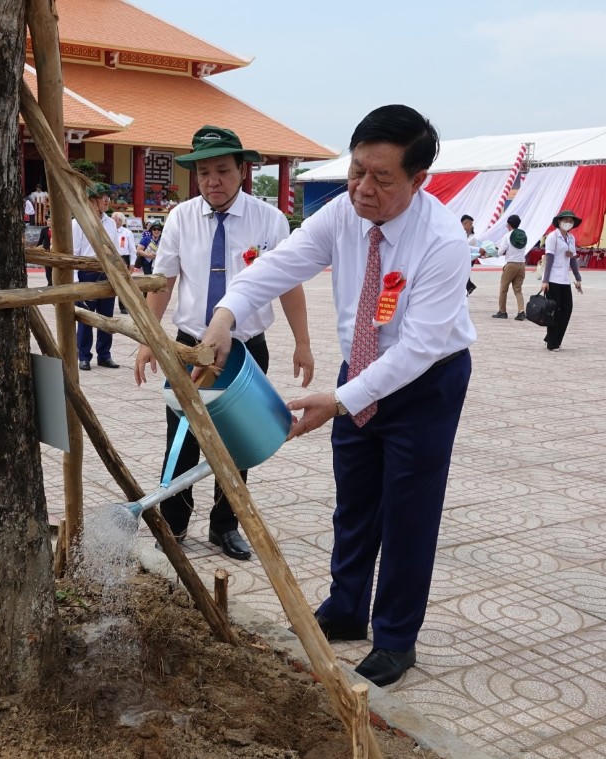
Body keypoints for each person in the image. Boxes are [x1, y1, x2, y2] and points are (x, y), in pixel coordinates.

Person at [200, 105, 475, 687]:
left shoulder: (444, 241)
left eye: (382, 178)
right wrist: (224, 317)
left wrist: (340, 400)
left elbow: (421, 345)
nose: (362, 188)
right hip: (361, 370)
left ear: (418, 180)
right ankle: (347, 607)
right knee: (354, 501)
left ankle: (396, 637)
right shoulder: (342, 216)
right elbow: (278, 266)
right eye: (356, 171)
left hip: (426, 382)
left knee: (408, 512)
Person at [134, 125, 315, 562]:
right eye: (203, 173)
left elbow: (289, 285)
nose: (212, 181)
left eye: (221, 170)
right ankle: (173, 522)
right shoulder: (180, 218)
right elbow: (164, 282)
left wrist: (302, 343)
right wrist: (147, 339)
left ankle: (225, 525)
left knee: (237, 440)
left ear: (242, 170)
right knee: (181, 435)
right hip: (189, 344)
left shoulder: (269, 221)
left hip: (246, 347)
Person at [73, 183, 119, 371]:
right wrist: (76, 281)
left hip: (106, 273)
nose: (107, 200)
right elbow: (73, 253)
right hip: (87, 273)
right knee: (86, 317)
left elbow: (114, 250)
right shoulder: (78, 223)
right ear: (91, 201)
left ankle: (104, 355)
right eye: (102, 197)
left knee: (106, 317)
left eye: (107, 196)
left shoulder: (111, 223)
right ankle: (84, 356)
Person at [540, 210, 583, 351]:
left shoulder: (571, 238)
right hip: (553, 280)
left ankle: (555, 339)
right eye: (565, 220)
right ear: (559, 222)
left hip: (565, 280)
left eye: (571, 221)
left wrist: (578, 278)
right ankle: (552, 342)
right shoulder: (553, 237)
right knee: (554, 311)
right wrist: (545, 281)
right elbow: (549, 260)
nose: (568, 223)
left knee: (567, 310)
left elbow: (572, 259)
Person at [493, 214, 528, 320]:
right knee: (518, 289)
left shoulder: (507, 236)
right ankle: (521, 312)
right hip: (521, 264)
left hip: (511, 264)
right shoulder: (523, 235)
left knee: (503, 289)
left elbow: (500, 252)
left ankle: (502, 312)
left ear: (509, 224)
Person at [111, 211, 135, 313]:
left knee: (123, 283)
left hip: (123, 258)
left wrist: (132, 263)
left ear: (121, 221)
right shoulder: (108, 231)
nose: (115, 221)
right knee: (110, 282)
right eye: (113, 219)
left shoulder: (127, 232)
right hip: (111, 258)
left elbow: (132, 249)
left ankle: (123, 306)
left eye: (117, 219)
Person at [461, 214, 483, 295]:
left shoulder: (472, 237)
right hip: (461, 261)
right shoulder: (460, 234)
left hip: (468, 260)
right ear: (465, 223)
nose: (471, 226)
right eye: (470, 224)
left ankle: (467, 291)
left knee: (465, 278)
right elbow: (465, 247)